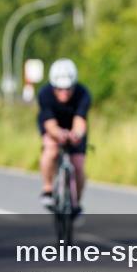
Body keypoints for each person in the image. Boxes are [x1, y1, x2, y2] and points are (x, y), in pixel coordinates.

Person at [37, 58, 91, 215]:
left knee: (78, 165)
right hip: (52, 125)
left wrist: (77, 134)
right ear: (53, 86)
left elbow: (80, 121)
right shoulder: (45, 94)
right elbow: (49, 124)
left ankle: (76, 203)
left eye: (68, 89)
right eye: (59, 89)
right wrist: (59, 134)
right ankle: (47, 189)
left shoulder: (83, 93)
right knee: (51, 150)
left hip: (73, 125)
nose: (64, 93)